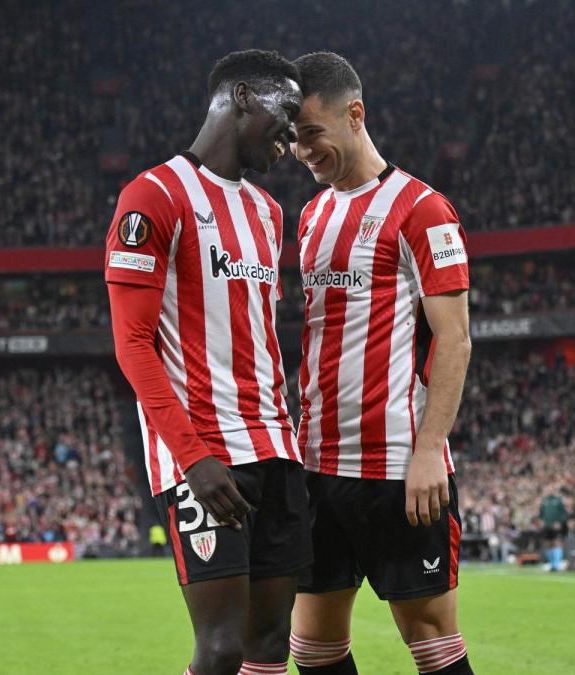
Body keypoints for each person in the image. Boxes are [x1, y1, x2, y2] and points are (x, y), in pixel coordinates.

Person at [105, 49, 309, 675]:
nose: (294, 135)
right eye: (288, 113)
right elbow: (133, 345)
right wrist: (191, 457)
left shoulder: (270, 214)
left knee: (271, 647)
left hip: (277, 448)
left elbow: (261, 337)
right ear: (244, 96)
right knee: (220, 650)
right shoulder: (153, 195)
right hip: (206, 455)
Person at [286, 52, 474, 675]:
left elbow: (456, 339)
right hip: (316, 464)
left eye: (311, 132)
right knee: (312, 647)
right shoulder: (312, 216)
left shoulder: (422, 208)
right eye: (292, 138)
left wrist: (429, 451)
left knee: (430, 639)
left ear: (355, 114)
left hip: (396, 468)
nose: (301, 150)